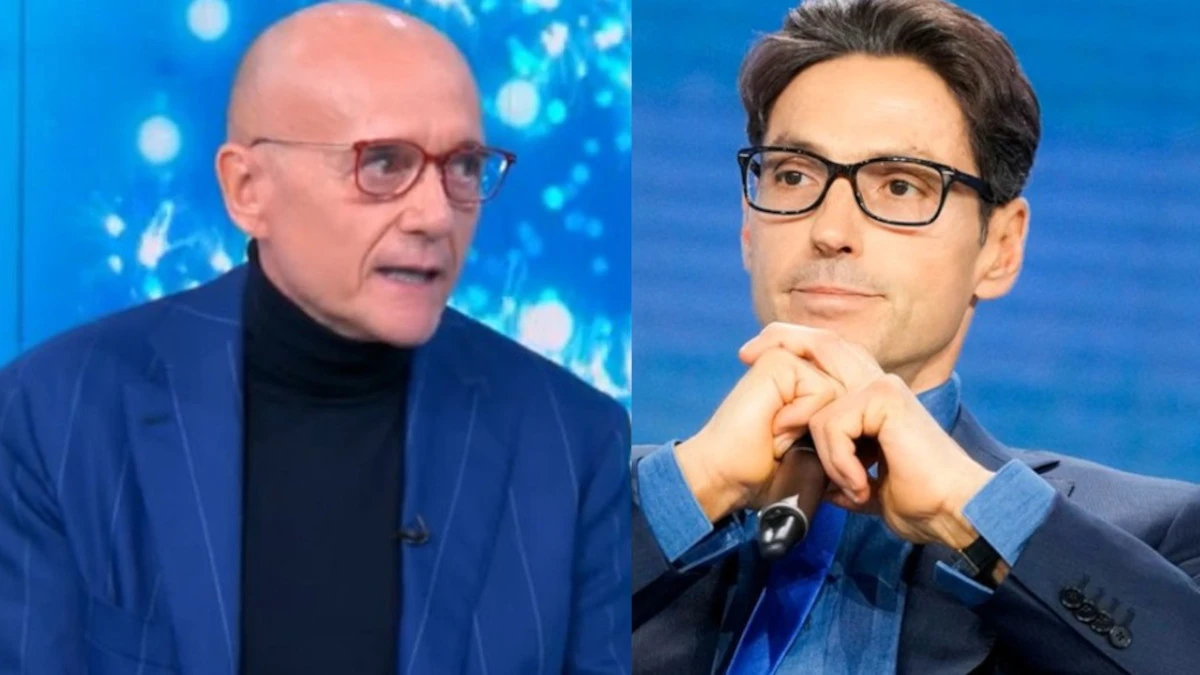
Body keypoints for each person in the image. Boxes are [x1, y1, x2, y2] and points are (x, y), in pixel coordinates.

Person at [0, 3, 631, 673]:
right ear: (247, 189)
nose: (435, 214)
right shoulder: (53, 415)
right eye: (383, 163)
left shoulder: (574, 441)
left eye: (464, 167)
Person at [631, 0, 1200, 673]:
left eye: (900, 186)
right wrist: (694, 489)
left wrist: (973, 513)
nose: (830, 229)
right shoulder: (587, 505)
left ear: (1001, 247)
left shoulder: (1156, 540)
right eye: (793, 175)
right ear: (748, 228)